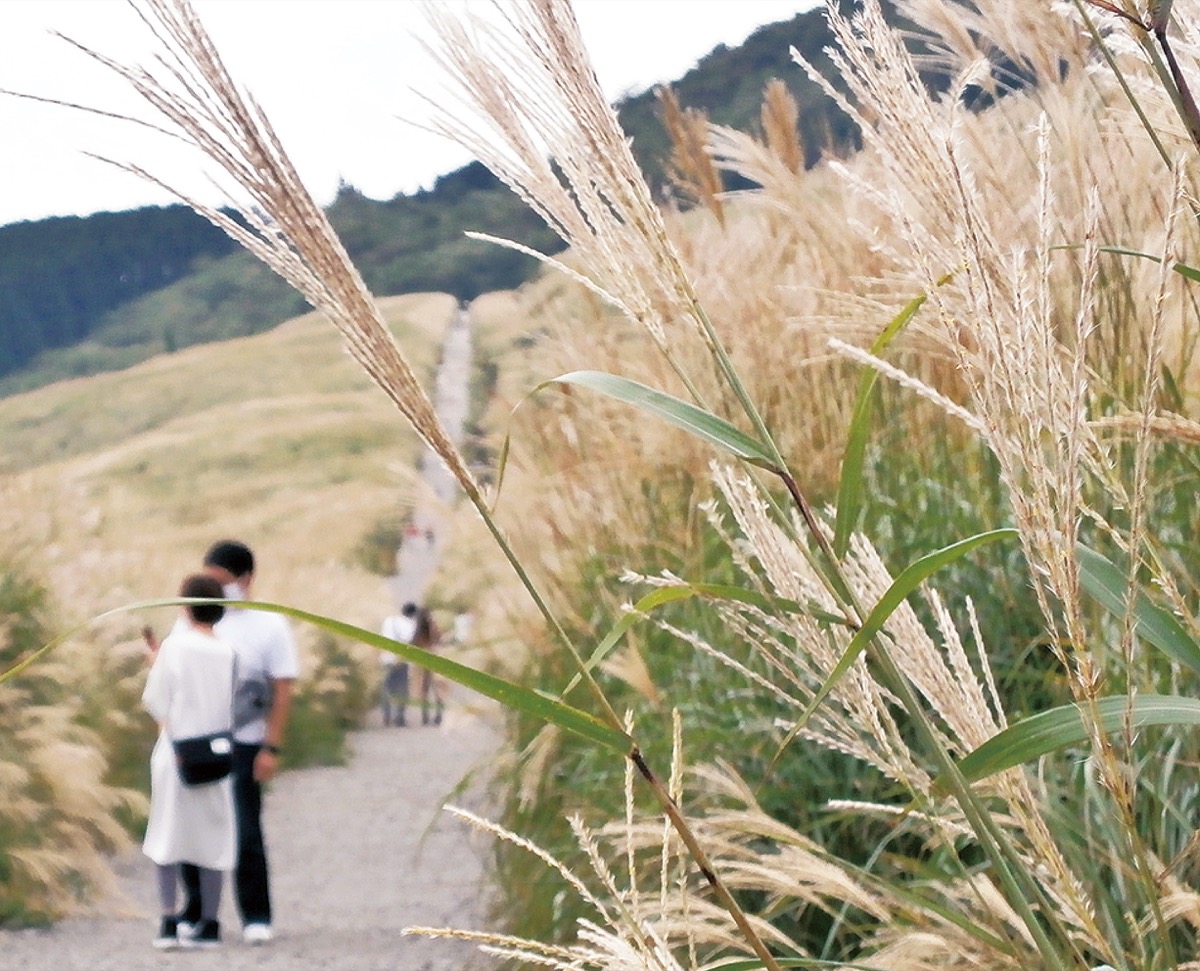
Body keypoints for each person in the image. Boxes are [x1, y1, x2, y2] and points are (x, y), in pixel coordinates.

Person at [177, 540, 299, 946]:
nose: (212, 589)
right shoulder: (195, 617)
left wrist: (271, 746)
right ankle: (197, 915)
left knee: (245, 829)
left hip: (245, 742)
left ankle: (257, 916)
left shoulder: (269, 626)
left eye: (221, 581)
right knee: (193, 828)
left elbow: (282, 689)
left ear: (246, 579)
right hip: (198, 739)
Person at [142, 574, 236, 950]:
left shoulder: (174, 647)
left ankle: (168, 922)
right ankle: (210, 925)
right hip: (216, 753)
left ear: (184, 606)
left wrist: (155, 662)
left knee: (166, 837)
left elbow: (157, 700)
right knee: (214, 838)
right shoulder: (229, 652)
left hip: (176, 752)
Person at [379, 602, 418, 727]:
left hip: (386, 658)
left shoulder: (389, 620)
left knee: (387, 688)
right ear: (413, 614)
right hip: (401, 661)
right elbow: (410, 642)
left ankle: (386, 717)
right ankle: (399, 718)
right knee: (402, 689)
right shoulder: (411, 625)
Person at [412, 606, 444, 727]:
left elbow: (413, 644)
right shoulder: (433, 627)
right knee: (438, 690)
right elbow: (439, 640)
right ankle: (438, 716)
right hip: (435, 660)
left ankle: (425, 716)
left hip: (421, 662)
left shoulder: (417, 630)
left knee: (423, 690)